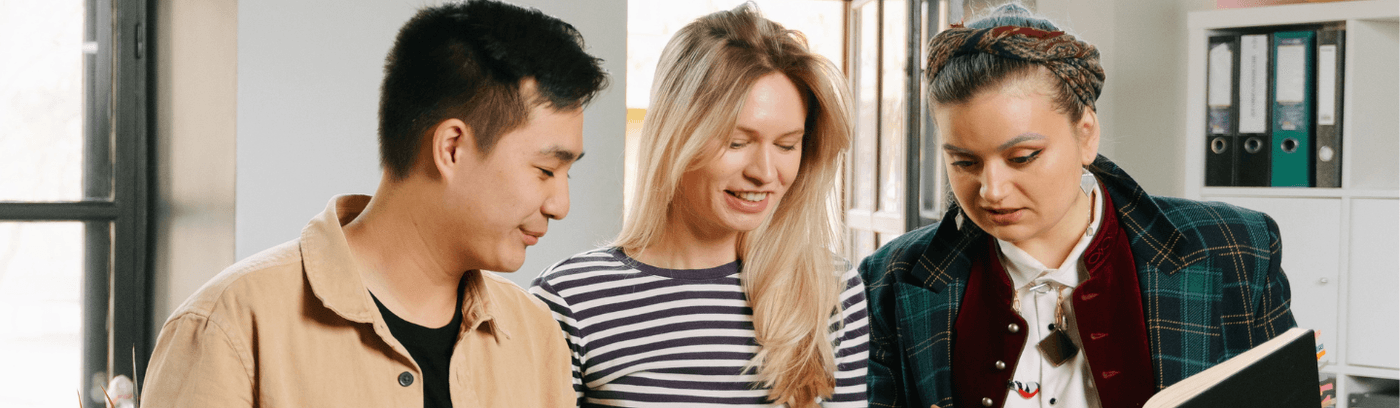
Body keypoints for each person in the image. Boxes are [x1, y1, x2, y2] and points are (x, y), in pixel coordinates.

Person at [140, 1, 608, 407]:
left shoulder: (535, 335)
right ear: (451, 149)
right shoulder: (230, 325)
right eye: (546, 171)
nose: (560, 204)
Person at [860, 4, 1296, 408]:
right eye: (964, 162)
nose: (991, 190)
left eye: (1022, 157)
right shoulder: (887, 283)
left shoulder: (1237, 250)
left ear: (1086, 133)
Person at [528, 4, 867, 407]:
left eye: (786, 145)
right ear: (676, 135)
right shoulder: (571, 298)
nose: (764, 172)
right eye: (736, 142)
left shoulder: (831, 289)